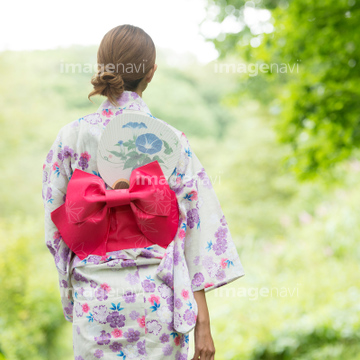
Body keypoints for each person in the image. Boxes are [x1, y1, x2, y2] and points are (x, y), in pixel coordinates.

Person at [42, 24, 245, 360]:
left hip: (96, 302)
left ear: (101, 65)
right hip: (157, 300)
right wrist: (203, 323)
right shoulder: (170, 140)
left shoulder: (71, 138)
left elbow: (56, 231)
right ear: (152, 72)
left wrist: (72, 289)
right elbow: (196, 229)